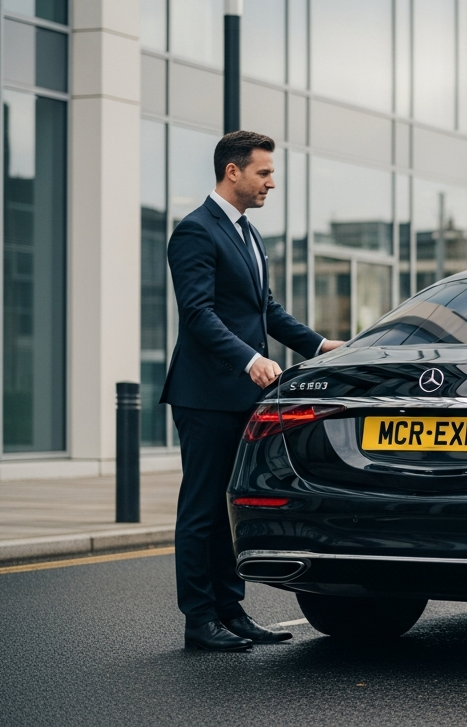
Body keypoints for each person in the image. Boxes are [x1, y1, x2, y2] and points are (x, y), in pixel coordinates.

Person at [162, 131, 344, 651]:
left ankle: (230, 609)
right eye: (263, 172)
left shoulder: (248, 234)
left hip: (242, 395)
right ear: (232, 172)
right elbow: (198, 315)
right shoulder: (195, 231)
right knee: (200, 509)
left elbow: (265, 310)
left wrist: (320, 345)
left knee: (229, 505)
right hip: (205, 394)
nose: (271, 182)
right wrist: (249, 358)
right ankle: (199, 618)